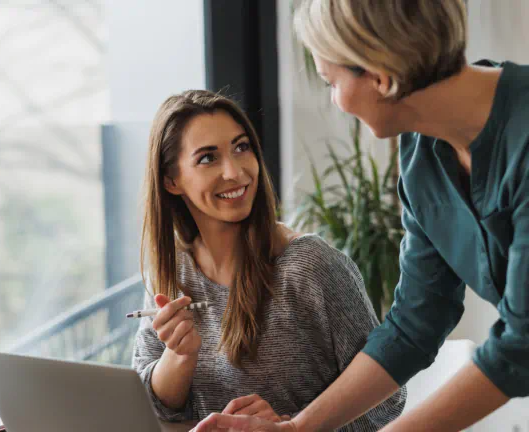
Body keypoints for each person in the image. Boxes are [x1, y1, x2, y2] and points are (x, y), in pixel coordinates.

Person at [193, 1, 529, 431]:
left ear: (381, 76)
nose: (335, 100)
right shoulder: (423, 154)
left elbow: (525, 345)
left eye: (332, 82)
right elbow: (415, 324)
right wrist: (298, 427)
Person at [132, 90, 405, 431]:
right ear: (171, 181)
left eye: (241, 147)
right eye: (207, 158)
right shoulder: (173, 272)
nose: (235, 171)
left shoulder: (311, 267)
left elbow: (388, 401)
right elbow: (151, 405)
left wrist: (289, 426)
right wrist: (179, 356)